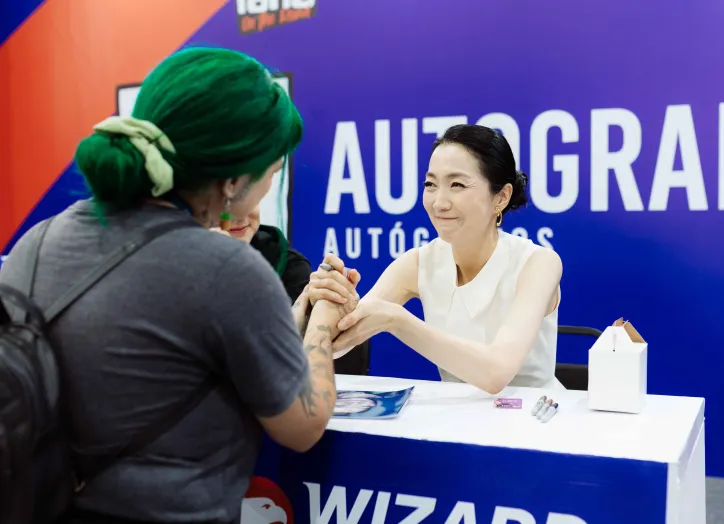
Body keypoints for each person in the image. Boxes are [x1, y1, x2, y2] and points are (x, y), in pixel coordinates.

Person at [0, 47, 347, 524]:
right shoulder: (226, 270)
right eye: (272, 171)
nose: (271, 184)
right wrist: (323, 317)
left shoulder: (35, 244)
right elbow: (303, 426)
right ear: (233, 180)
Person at [310, 124, 564, 394]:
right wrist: (324, 305)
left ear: (501, 197)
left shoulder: (539, 263)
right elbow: (338, 344)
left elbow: (496, 373)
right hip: (457, 415)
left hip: (537, 415)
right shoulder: (419, 263)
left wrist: (398, 321)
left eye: (457, 185)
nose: (439, 202)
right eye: (430, 184)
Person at [227, 205, 372, 375]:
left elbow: (339, 372)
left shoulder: (285, 264)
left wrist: (331, 312)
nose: (239, 213)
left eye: (248, 197)